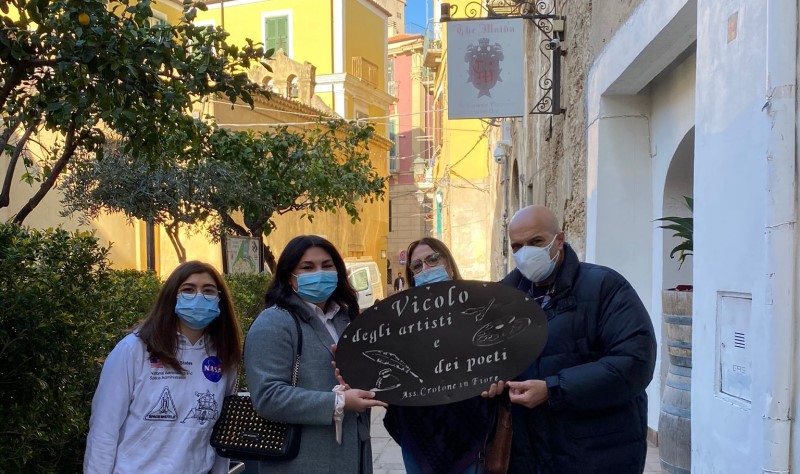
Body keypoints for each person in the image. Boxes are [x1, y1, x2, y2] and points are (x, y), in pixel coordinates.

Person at [485, 205, 657, 474]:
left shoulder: (605, 287)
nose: (526, 252)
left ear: (559, 240)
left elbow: (634, 362)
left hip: (597, 453)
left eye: (536, 242)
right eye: (517, 246)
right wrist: (490, 382)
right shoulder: (501, 300)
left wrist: (553, 390)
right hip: (529, 454)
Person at [244, 235, 387, 473]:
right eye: (308, 267)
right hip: (302, 460)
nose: (319, 273)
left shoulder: (346, 318)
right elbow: (267, 397)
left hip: (351, 455)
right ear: (289, 276)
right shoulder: (274, 322)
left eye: (327, 266)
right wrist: (338, 402)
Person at [84, 261, 242, 474]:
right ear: (172, 296)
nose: (199, 297)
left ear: (219, 299)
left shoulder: (224, 356)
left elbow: (221, 434)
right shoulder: (134, 349)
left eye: (208, 291)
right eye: (188, 289)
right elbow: (104, 429)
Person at [382, 237, 496, 474]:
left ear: (449, 265)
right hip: (417, 430)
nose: (426, 268)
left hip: (471, 427)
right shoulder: (400, 322)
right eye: (417, 266)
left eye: (433, 259)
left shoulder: (477, 310)